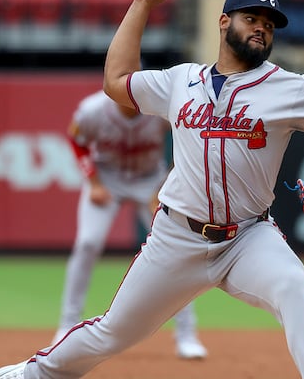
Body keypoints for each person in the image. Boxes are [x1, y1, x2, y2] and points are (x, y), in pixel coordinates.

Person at [0, 0, 304, 379]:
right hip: (177, 237)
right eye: (251, 18)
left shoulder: (294, 89)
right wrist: (143, 4)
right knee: (113, 332)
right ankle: (32, 374)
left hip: (248, 237)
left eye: (269, 24)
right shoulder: (180, 81)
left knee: (293, 286)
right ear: (224, 22)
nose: (261, 28)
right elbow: (116, 82)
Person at [53, 90, 207, 360]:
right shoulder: (93, 110)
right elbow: (76, 139)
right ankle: (67, 325)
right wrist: (94, 181)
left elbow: (191, 142)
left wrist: (163, 187)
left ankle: (186, 334)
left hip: (150, 179)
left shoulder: (159, 109)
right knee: (88, 243)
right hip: (107, 176)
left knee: (178, 250)